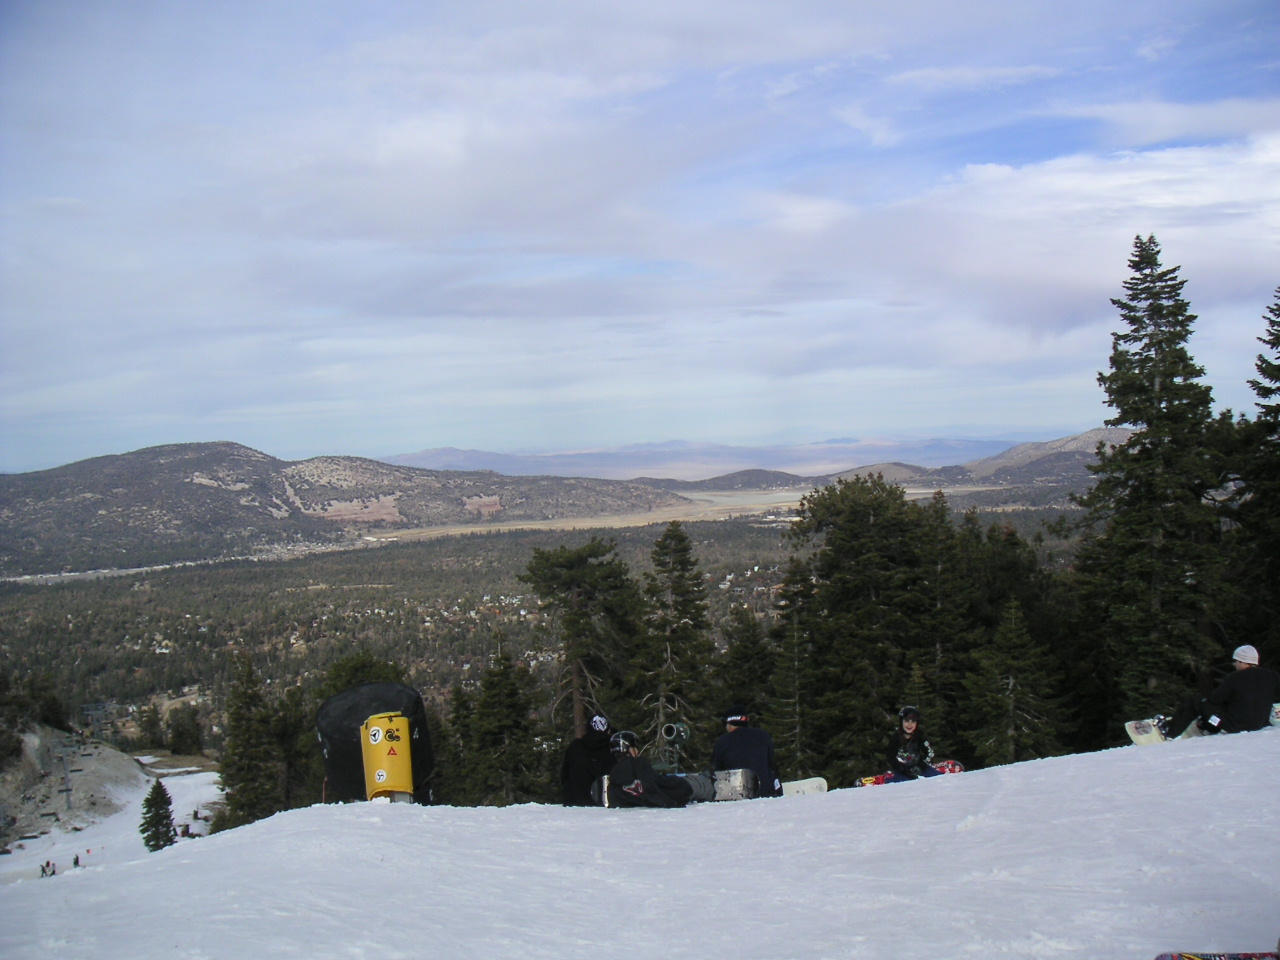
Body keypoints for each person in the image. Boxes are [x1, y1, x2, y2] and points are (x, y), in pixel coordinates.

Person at [1161, 645, 1280, 739]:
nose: (1234, 664)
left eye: (1235, 661)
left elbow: (1215, 699)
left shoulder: (1235, 677)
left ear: (1242, 661)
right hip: (1260, 724)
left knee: (1197, 701)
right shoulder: (1272, 676)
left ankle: (1170, 732)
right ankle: (1205, 725)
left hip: (1234, 726)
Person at [605, 730, 695, 808]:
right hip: (682, 787)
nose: (637, 751)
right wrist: (670, 804)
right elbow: (650, 788)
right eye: (635, 748)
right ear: (630, 749)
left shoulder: (612, 779)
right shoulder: (637, 763)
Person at [711, 707, 782, 797]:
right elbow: (772, 765)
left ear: (729, 724)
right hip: (766, 793)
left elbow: (717, 771)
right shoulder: (763, 736)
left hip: (735, 795)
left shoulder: (722, 742)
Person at [559, 713, 615, 806]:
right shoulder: (612, 749)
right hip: (604, 803)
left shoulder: (575, 747)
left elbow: (564, 775)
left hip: (574, 802)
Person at [884, 706, 941, 783]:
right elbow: (890, 757)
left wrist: (921, 765)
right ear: (901, 722)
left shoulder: (920, 735)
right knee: (899, 783)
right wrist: (902, 769)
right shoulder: (896, 738)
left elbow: (929, 752)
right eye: (906, 721)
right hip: (902, 771)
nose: (909, 725)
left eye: (913, 721)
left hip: (919, 768)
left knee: (938, 779)